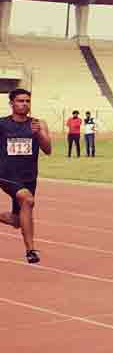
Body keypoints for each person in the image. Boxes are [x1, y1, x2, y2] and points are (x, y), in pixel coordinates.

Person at [0, 89, 53, 263]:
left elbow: (48, 150)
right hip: (6, 174)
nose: (24, 104)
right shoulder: (2, 124)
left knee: (17, 220)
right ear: (12, 104)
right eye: (20, 101)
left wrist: (38, 133)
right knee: (28, 200)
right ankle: (30, 250)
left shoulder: (39, 124)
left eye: (27, 101)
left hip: (29, 176)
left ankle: (23, 233)